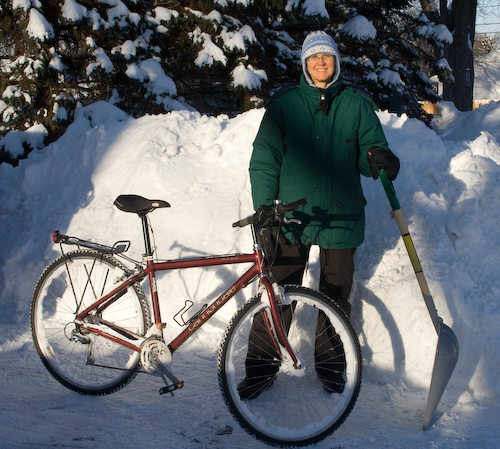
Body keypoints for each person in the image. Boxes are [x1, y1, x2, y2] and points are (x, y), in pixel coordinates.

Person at [237, 31, 400, 400]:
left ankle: (330, 369)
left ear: (336, 62)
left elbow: (368, 152)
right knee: (276, 294)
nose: (321, 62)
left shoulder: (356, 107)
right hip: (292, 217)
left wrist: (378, 157)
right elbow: (264, 160)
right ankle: (261, 369)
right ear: (305, 64)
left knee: (336, 296)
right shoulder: (284, 107)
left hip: (341, 217)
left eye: (327, 56)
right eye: (314, 57)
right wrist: (264, 206)